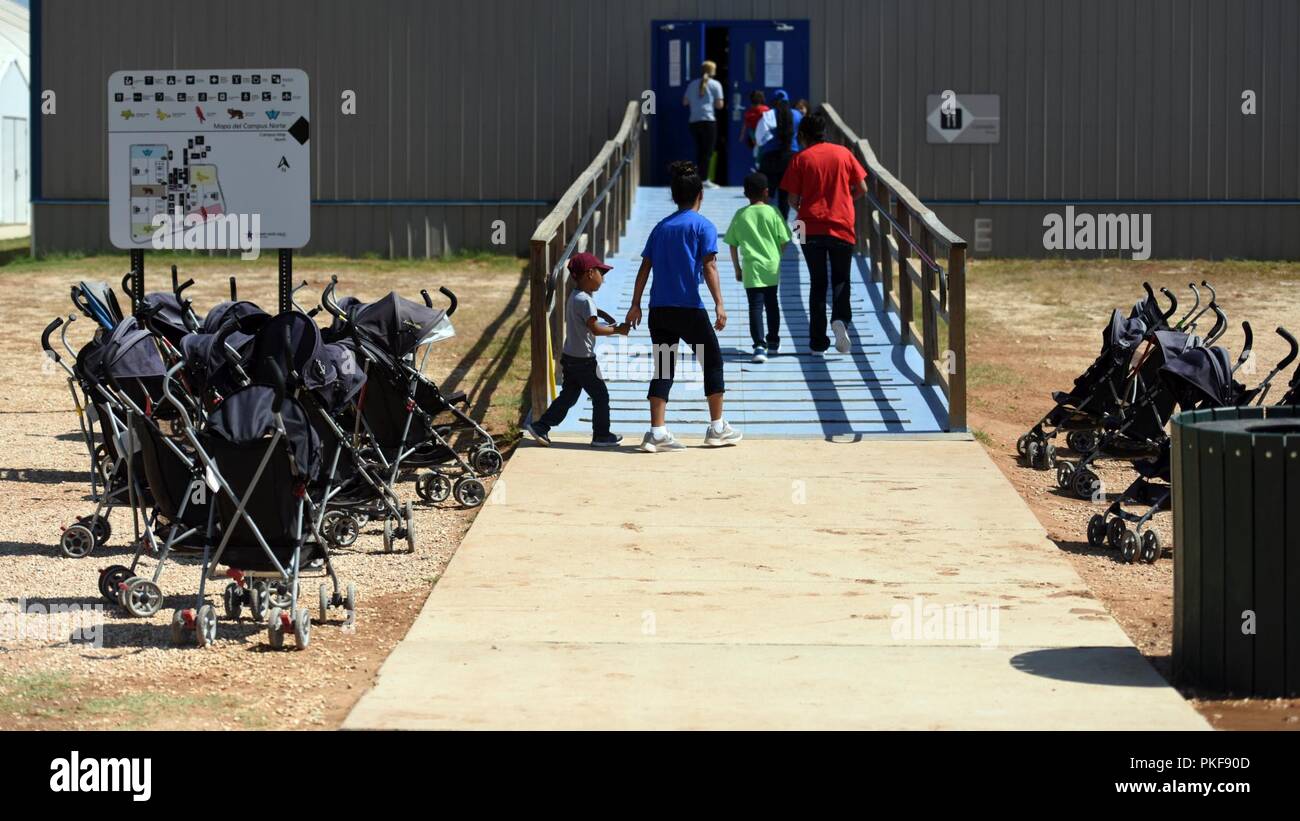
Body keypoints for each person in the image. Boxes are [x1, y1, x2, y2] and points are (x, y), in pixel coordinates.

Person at [625, 161, 741, 452]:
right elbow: (710, 265)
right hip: (689, 308)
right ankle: (717, 428)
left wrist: (635, 305)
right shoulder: (703, 226)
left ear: (674, 196)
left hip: (659, 310)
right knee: (712, 361)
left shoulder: (661, 227)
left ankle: (656, 432)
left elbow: (645, 267)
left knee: (663, 368)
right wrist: (719, 304)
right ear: (701, 194)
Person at [780, 112, 869, 355]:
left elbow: (791, 200)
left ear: (803, 136)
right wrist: (845, 201)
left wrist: (805, 208)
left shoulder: (800, 158)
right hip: (842, 224)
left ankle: (817, 343)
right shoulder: (843, 153)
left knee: (818, 282)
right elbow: (863, 187)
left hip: (809, 227)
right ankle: (840, 319)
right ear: (824, 133)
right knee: (841, 279)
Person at [523, 252, 629, 447]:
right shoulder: (585, 300)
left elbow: (590, 316)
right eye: (601, 274)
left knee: (569, 396)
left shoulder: (576, 296)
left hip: (570, 356)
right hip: (584, 361)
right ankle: (601, 435)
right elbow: (595, 329)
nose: (603, 279)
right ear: (590, 273)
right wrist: (618, 330)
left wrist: (604, 314)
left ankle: (541, 426)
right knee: (600, 396)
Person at [723, 171, 791, 364]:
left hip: (751, 268)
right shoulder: (774, 212)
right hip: (771, 266)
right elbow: (785, 239)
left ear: (746, 194)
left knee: (755, 307)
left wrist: (737, 268)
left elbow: (732, 243)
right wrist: (777, 254)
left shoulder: (741, 214)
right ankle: (774, 340)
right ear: (766, 192)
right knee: (772, 304)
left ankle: (759, 346)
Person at [753, 90, 802, 220]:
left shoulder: (768, 115)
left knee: (767, 194)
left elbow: (759, 139)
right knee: (785, 194)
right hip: (791, 157)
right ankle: (783, 224)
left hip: (770, 158)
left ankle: (768, 223)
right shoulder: (797, 115)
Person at [682, 61, 724, 188]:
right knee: (707, 152)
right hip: (708, 121)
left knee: (700, 151)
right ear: (713, 71)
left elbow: (684, 102)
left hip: (694, 121)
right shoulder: (716, 84)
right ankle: (704, 180)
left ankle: (699, 178)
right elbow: (719, 105)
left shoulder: (692, 84)